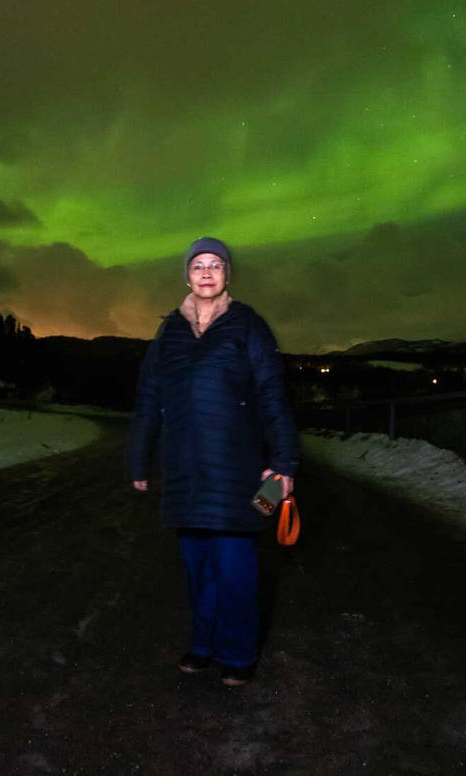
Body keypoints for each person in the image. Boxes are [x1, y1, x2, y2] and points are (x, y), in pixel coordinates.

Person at [126, 236, 299, 687]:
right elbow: (149, 398)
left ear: (227, 275)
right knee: (197, 568)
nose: (206, 272)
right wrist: (139, 460)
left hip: (236, 469)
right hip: (184, 470)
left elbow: (272, 395)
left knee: (235, 569)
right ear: (187, 275)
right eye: (198, 265)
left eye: (215, 264)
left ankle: (238, 652)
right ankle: (203, 644)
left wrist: (284, 462)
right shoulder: (169, 333)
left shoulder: (248, 325)